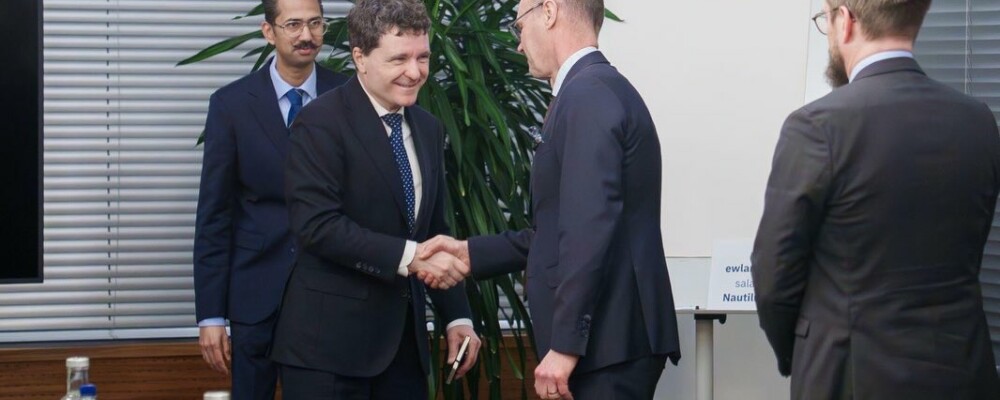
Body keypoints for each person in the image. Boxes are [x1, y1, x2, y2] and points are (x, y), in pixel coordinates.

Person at [419, 0, 679, 398]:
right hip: (612, 344)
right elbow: (564, 227)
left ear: (549, 12)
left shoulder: (587, 95)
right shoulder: (594, 89)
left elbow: (588, 231)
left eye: (519, 26)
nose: (519, 44)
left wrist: (566, 345)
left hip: (607, 348)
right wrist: (471, 254)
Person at [752, 0, 1000, 398]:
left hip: (851, 377)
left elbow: (774, 274)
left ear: (846, 21)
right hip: (964, 374)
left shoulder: (816, 127)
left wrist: (802, 352)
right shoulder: (978, 121)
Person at [268, 0, 481, 398]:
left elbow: (434, 233)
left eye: (422, 57)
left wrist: (458, 319)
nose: (414, 72)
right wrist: (409, 257)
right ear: (360, 58)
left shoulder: (429, 129)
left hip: (404, 353)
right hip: (328, 354)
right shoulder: (319, 123)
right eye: (398, 59)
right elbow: (318, 226)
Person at [192, 0, 347, 397]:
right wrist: (211, 315)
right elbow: (214, 215)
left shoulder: (349, 96)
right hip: (256, 294)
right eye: (293, 24)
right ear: (268, 32)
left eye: (315, 23)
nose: (306, 35)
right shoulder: (231, 105)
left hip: (331, 294)